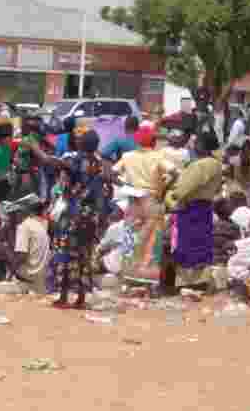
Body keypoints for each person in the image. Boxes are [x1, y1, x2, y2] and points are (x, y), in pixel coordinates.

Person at [52, 129, 108, 308]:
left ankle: (63, 296)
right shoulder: (99, 163)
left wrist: (36, 149)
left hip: (72, 213)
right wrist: (101, 217)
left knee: (65, 254)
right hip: (90, 215)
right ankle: (81, 298)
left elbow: (55, 163)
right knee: (84, 255)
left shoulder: (75, 160)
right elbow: (101, 192)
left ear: (81, 143)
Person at [165, 130, 223, 292]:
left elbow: (182, 190)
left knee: (187, 245)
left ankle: (188, 283)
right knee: (202, 244)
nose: (193, 145)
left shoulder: (201, 165)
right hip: (204, 207)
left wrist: (171, 194)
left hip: (191, 209)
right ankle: (201, 281)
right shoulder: (215, 164)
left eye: (196, 142)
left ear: (202, 145)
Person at [112, 123, 168, 289]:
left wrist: (124, 185)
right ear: (153, 141)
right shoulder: (159, 157)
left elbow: (113, 172)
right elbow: (174, 172)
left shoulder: (128, 156)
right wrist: (163, 187)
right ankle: (149, 282)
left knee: (131, 237)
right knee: (151, 240)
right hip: (152, 199)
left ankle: (129, 279)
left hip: (134, 200)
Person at [11, 196, 51, 293]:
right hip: (43, 273)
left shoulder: (24, 226)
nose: (14, 215)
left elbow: (22, 255)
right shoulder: (43, 225)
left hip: (31, 273)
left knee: (13, 273)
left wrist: (12, 269)